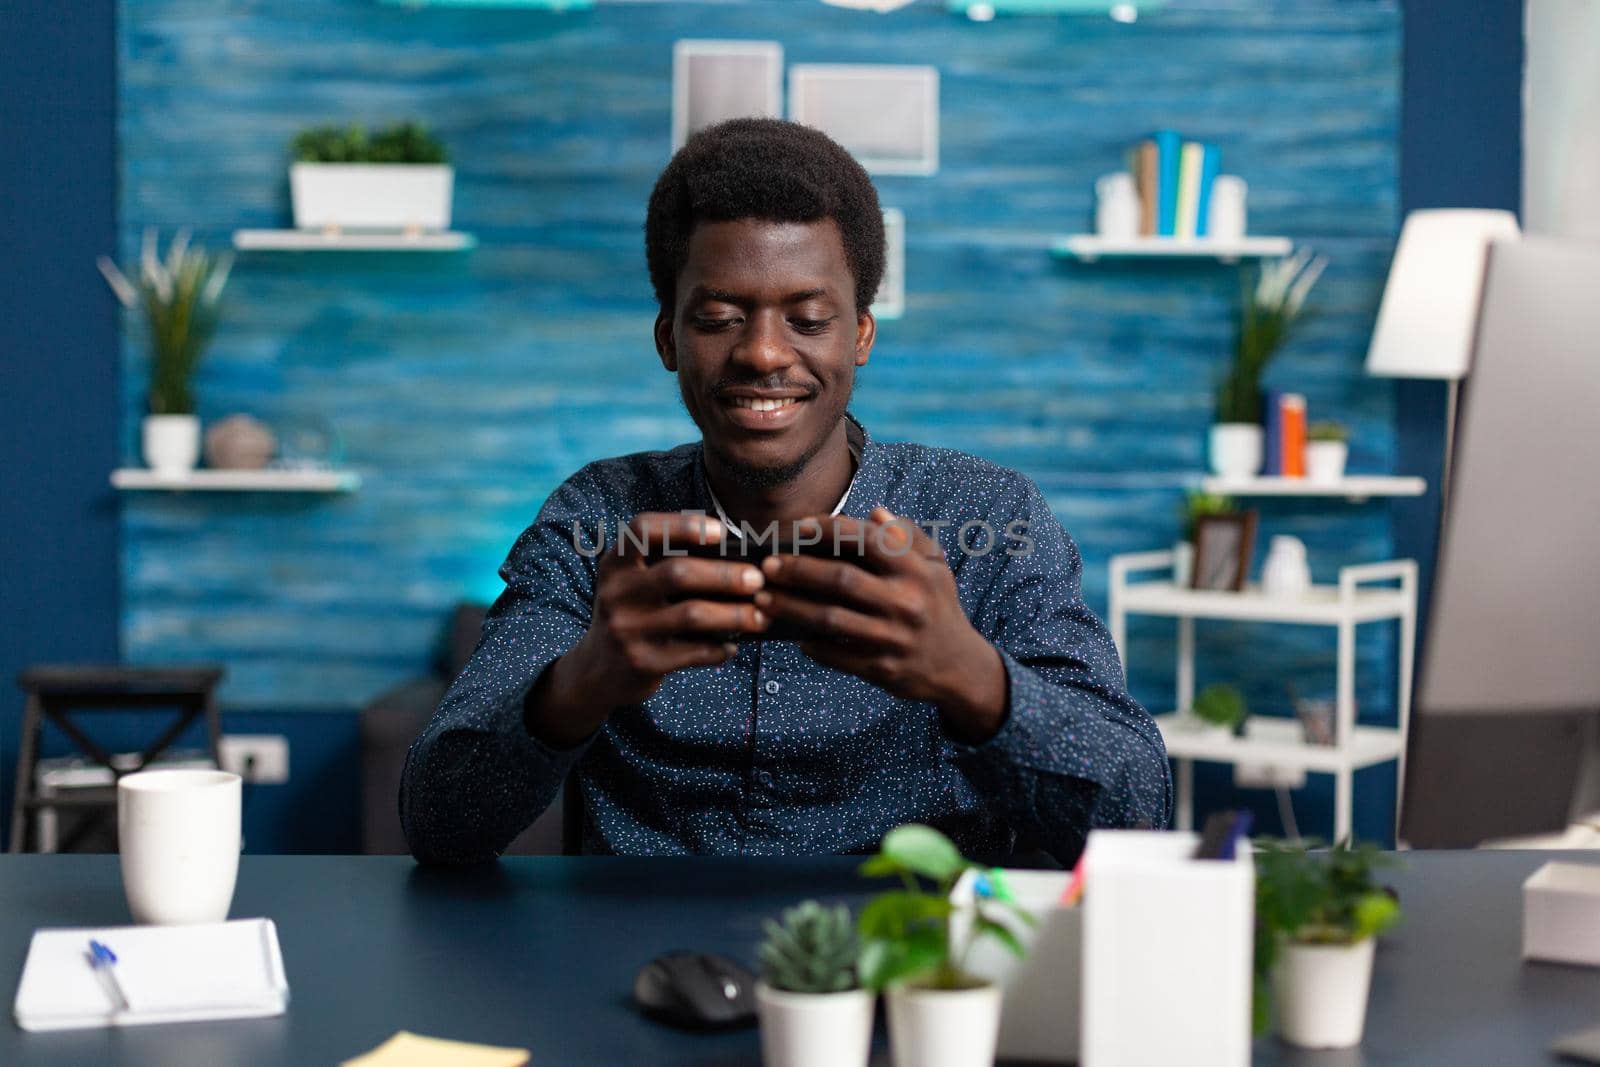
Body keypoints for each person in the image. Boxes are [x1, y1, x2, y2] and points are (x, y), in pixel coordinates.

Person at [400, 118, 1170, 863]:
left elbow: (1141, 815)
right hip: (640, 962)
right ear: (669, 337)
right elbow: (438, 824)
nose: (763, 352)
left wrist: (971, 674)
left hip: (910, 961)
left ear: (860, 335)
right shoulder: (597, 520)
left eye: (807, 317)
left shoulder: (989, 520)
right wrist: (583, 680)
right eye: (719, 317)